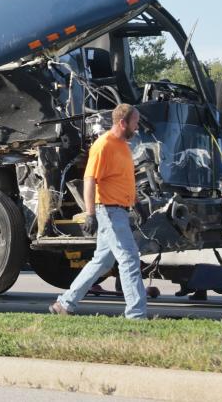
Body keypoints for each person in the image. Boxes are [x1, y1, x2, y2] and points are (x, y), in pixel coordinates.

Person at [49, 103, 148, 319]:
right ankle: (136, 315)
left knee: (102, 262)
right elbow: (90, 180)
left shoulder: (123, 146)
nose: (137, 126)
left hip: (120, 209)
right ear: (122, 123)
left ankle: (64, 304)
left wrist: (136, 202)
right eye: (135, 122)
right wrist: (91, 213)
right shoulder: (103, 146)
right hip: (110, 212)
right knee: (129, 258)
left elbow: (125, 180)